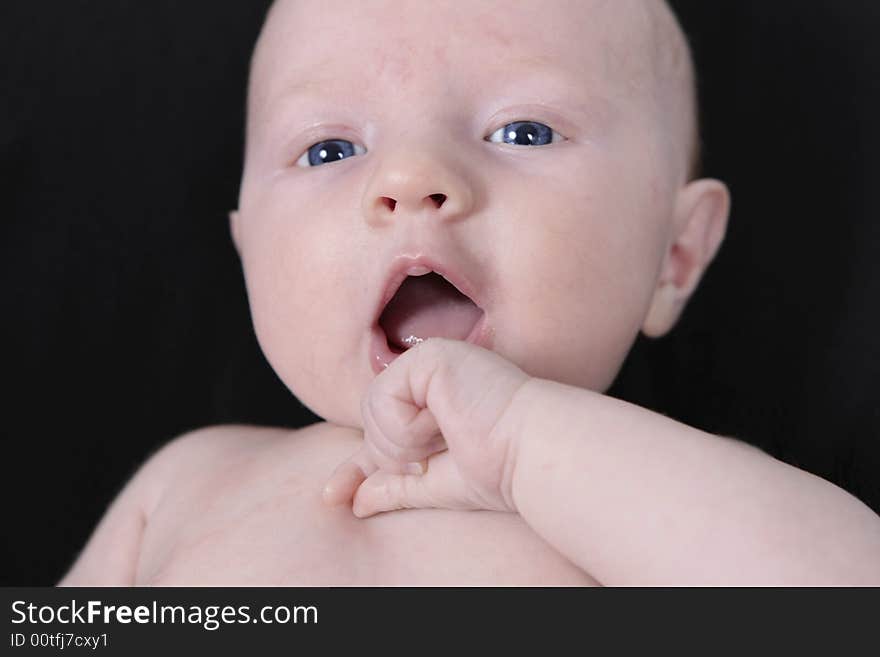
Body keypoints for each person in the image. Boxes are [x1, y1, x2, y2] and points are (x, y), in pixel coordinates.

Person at [58, 0, 880, 586]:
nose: (411, 178)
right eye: (330, 148)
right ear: (247, 255)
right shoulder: (189, 481)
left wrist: (527, 444)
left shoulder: (664, 494)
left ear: (675, 252)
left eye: (523, 132)